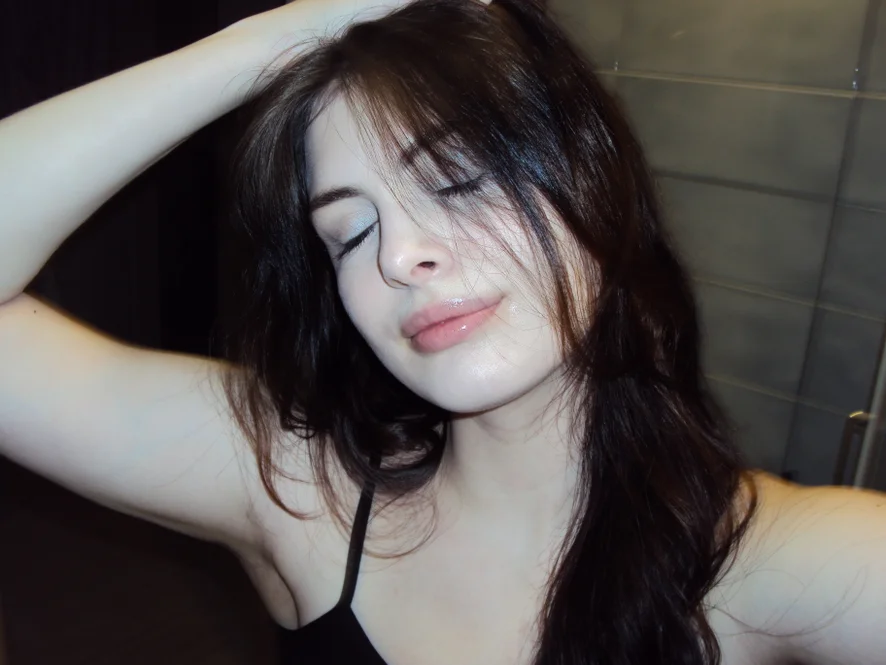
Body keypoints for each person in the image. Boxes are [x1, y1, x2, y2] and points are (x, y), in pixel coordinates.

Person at [0, 0, 884, 663]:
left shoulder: (783, 564)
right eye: (351, 232)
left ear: (592, 176)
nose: (400, 255)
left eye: (458, 178)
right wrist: (287, 34)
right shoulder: (301, 491)